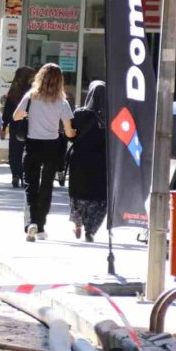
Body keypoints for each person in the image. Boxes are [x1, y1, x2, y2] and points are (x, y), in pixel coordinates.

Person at [13, 63, 76, 242]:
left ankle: (31, 223)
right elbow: (69, 132)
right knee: (46, 186)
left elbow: (16, 116)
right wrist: (74, 133)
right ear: (59, 81)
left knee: (30, 185)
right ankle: (40, 226)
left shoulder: (31, 96)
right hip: (52, 146)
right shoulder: (62, 102)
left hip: (32, 144)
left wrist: (28, 115)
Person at [67, 81, 107, 242]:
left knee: (78, 194)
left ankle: (77, 223)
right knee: (98, 198)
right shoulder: (111, 117)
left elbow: (70, 136)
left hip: (79, 161)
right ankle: (90, 230)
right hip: (101, 162)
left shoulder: (79, 114)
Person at [2, 67, 35, 188]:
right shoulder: (33, 91)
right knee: (28, 150)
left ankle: (15, 174)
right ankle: (25, 175)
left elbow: (7, 111)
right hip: (31, 124)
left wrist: (4, 126)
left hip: (16, 124)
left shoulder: (13, 92)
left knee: (15, 150)